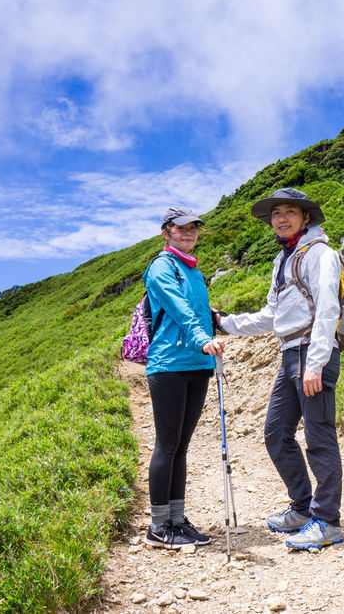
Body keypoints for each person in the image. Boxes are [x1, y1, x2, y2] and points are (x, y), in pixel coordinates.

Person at [212, 188, 344, 550]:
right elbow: (273, 315)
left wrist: (315, 363)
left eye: (289, 212)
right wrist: (227, 323)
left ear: (305, 218)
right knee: (276, 433)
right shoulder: (283, 259)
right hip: (290, 353)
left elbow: (328, 309)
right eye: (276, 213)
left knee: (319, 438)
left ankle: (327, 521)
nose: (281, 218)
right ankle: (303, 508)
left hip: (311, 353)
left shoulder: (320, 254)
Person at [143, 207, 226, 549]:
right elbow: (180, 310)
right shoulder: (162, 267)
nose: (188, 233)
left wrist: (217, 322)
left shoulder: (193, 270)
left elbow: (200, 312)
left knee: (181, 446)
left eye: (193, 228)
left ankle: (177, 519)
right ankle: (159, 526)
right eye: (181, 228)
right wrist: (201, 338)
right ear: (166, 232)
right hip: (168, 365)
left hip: (196, 364)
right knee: (167, 444)